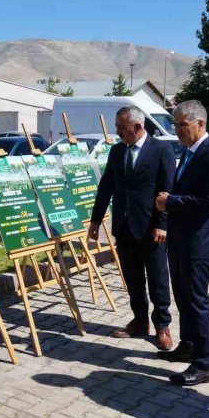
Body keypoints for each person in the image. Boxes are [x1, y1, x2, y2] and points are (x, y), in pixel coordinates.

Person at [155, 101, 209, 386]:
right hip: (182, 240)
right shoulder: (190, 152)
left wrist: (171, 202)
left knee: (197, 302)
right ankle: (188, 346)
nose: (177, 130)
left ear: (200, 123)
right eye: (175, 125)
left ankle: (204, 364)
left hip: (200, 243)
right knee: (184, 297)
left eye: (182, 125)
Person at [89, 106, 177, 350]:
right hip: (124, 227)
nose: (117, 132)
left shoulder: (161, 150)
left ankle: (162, 325)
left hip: (152, 229)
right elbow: (106, 187)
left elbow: (168, 190)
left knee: (158, 278)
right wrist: (96, 220)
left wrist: (163, 224)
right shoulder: (118, 151)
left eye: (121, 127)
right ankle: (140, 321)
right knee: (133, 278)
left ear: (138, 127)